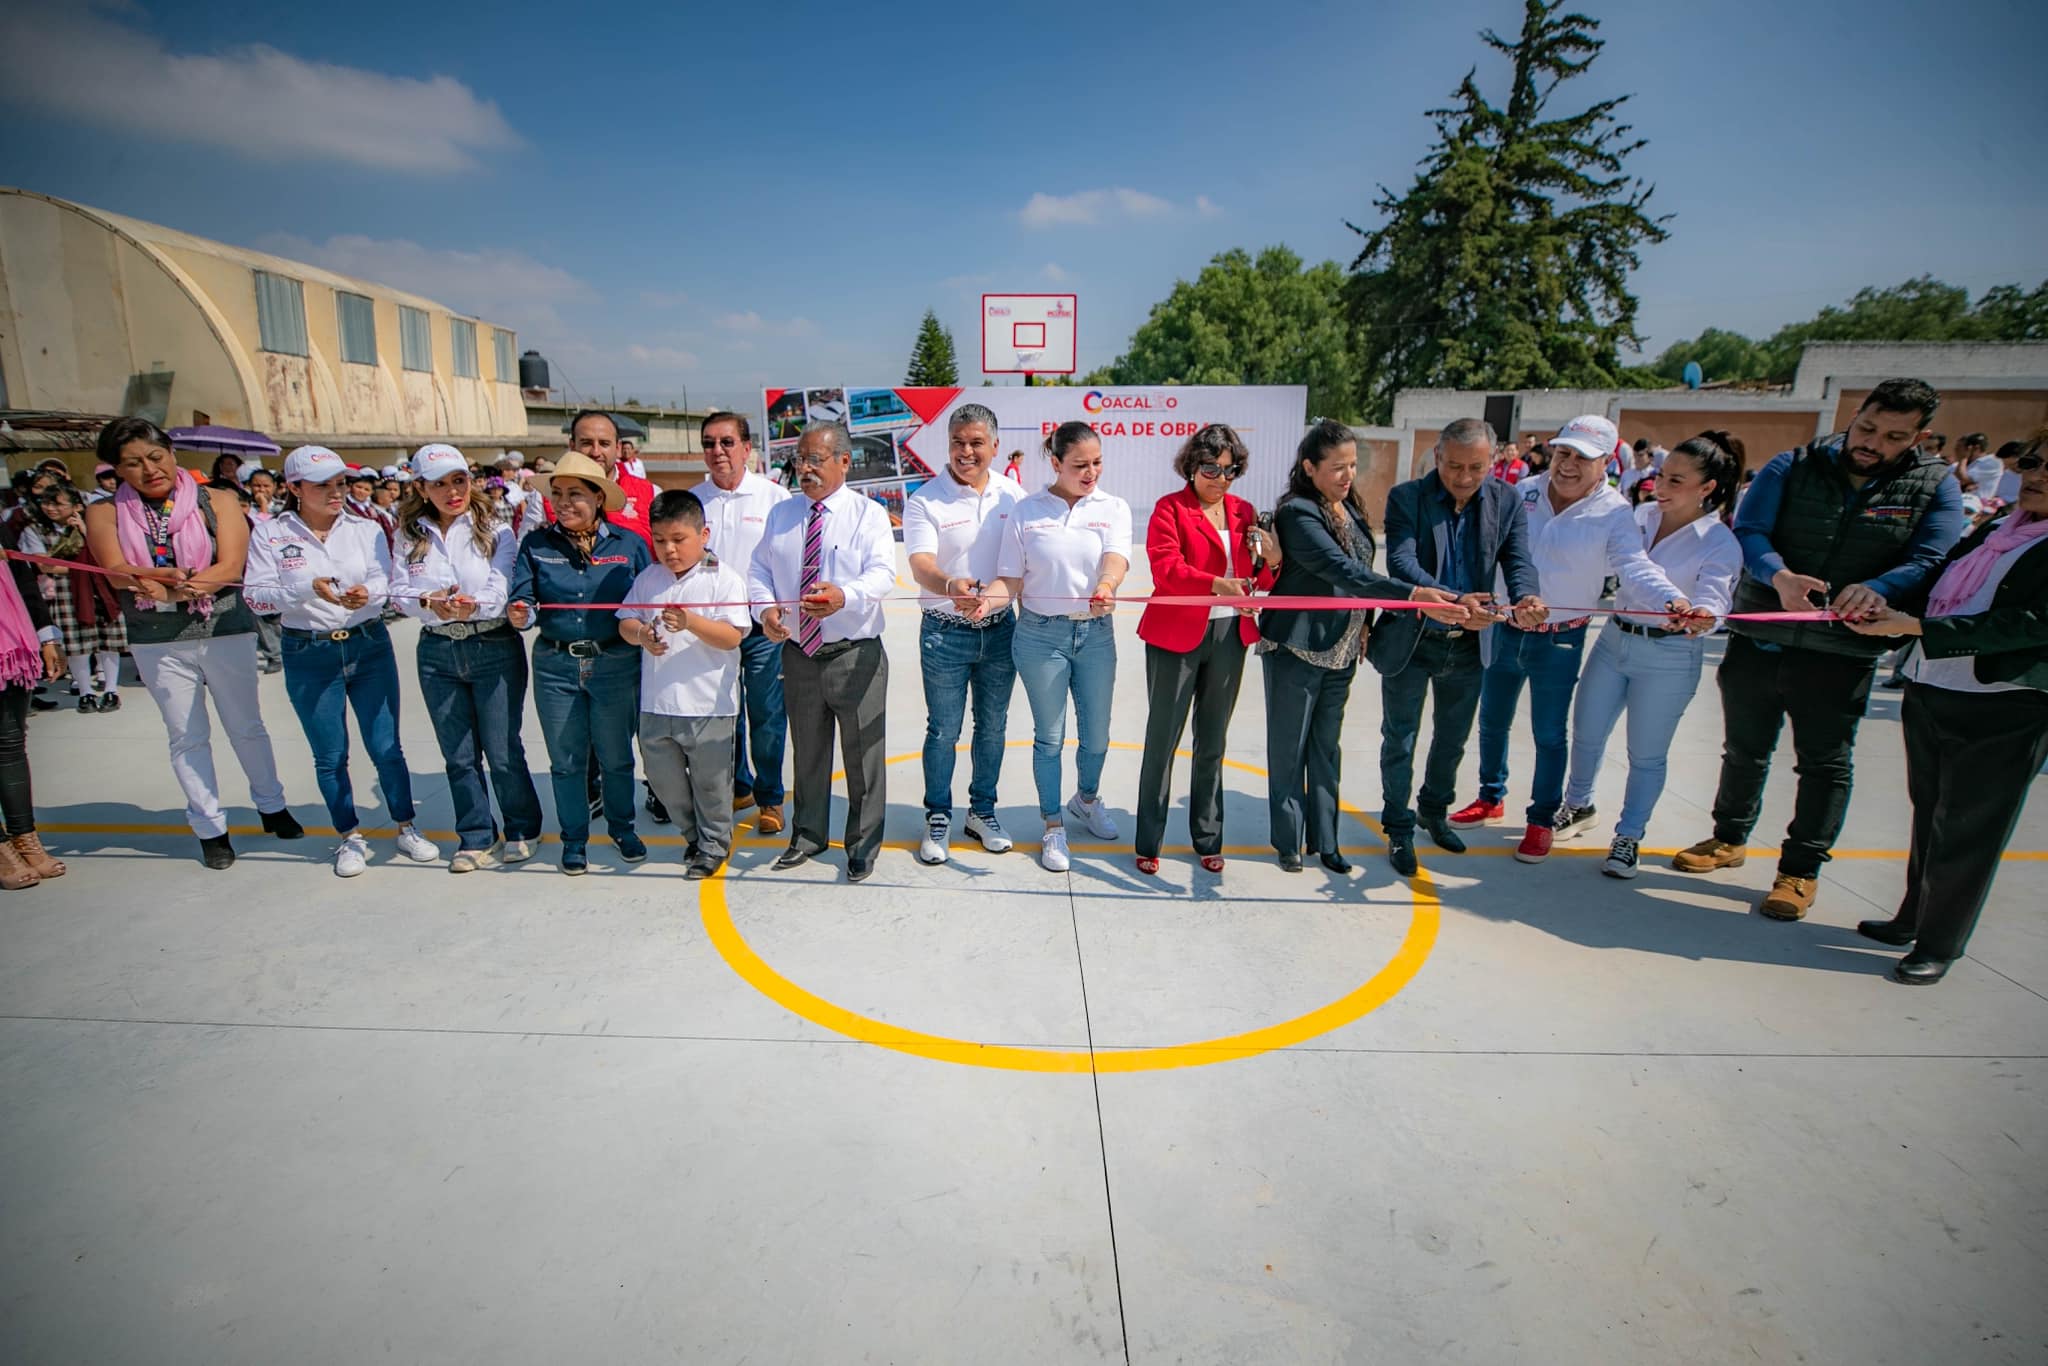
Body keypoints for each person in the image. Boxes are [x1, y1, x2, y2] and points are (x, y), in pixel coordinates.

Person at [1672, 378, 1964, 918]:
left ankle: (1799, 871)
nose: (1873, 442)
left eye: (1893, 436)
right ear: (1856, 414)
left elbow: (1933, 557)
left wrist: (1882, 588)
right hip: (1763, 636)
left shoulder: (1934, 485)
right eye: (1868, 426)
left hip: (1841, 650)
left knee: (1826, 763)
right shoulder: (1794, 465)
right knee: (1744, 749)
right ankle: (1728, 838)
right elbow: (1751, 530)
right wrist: (1777, 575)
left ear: (1919, 437)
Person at [1843, 434, 2048, 983]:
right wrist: (1888, 610)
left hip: (2004, 706)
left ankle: (1940, 942)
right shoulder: (2000, 527)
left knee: (1969, 830)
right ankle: (1913, 915)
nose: (2037, 474)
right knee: (1931, 814)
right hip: (1934, 686)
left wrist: (1918, 627)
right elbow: (1938, 583)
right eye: (2033, 463)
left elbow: (2028, 626)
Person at [1454, 414, 1680, 864]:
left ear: (1607, 463)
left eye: (1583, 457)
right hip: (1505, 628)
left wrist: (1672, 600)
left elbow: (1633, 566)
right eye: (1563, 453)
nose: (1569, 465)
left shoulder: (1615, 513)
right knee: (1493, 721)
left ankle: (1540, 819)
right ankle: (1490, 796)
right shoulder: (1522, 493)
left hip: (1558, 641)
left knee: (1548, 734)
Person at [83, 417, 304, 868]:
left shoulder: (218, 500)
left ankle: (271, 804)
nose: (149, 470)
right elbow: (115, 568)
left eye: (155, 456)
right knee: (187, 735)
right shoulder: (104, 511)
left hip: (224, 630)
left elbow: (232, 566)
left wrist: (168, 589)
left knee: (247, 725)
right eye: (132, 464)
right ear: (117, 471)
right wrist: (151, 581)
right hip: (156, 640)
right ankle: (210, 827)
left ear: (172, 453)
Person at [1260, 419, 1467, 874]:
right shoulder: (1297, 512)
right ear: (1309, 467)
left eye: (1352, 465)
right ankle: (1289, 842)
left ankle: (1327, 841)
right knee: (1289, 748)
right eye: (1337, 467)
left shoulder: (1349, 509)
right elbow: (1341, 570)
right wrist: (1413, 595)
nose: (1348, 475)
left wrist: (1366, 623)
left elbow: (1361, 569)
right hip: (1298, 645)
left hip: (1344, 648)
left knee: (1326, 748)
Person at [243, 446, 438, 877]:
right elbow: (256, 597)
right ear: (293, 488)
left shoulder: (366, 528)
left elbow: (382, 579)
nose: (336, 493)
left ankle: (406, 826)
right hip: (308, 651)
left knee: (386, 747)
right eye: (322, 486)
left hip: (368, 644)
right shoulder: (270, 534)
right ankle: (348, 836)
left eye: (340, 484)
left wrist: (367, 593)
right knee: (330, 755)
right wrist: (306, 589)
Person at [1556, 433, 1744, 877]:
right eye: (1661, 475)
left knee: (1646, 754)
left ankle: (1628, 837)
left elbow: (1715, 602)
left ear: (1707, 488)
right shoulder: (1636, 517)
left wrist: (1703, 617)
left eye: (1676, 480)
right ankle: (1577, 806)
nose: (1660, 486)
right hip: (1614, 640)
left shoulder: (1719, 542)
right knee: (1586, 731)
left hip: (1670, 656)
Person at [1372, 418, 1542, 876]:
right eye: (1453, 467)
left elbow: (1518, 559)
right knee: (1401, 739)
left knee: (1452, 740)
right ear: (1437, 457)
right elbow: (1401, 561)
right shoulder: (1407, 497)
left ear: (1493, 461)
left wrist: (1526, 597)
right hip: (1413, 639)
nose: (1464, 477)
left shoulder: (1506, 501)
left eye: (1476, 468)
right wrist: (1450, 599)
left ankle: (1433, 809)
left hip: (1471, 643)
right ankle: (1399, 825)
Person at [748, 423, 896, 881]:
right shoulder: (782, 513)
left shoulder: (867, 515)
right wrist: (766, 611)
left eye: (816, 459)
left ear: (844, 462)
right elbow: (758, 569)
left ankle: (862, 845)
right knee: (808, 752)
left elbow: (883, 574)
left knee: (862, 756)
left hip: (855, 654)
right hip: (798, 654)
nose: (805, 468)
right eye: (801, 459)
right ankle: (808, 835)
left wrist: (845, 597)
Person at [982, 421, 1130, 874]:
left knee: (1098, 735)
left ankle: (1086, 798)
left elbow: (1116, 558)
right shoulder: (1027, 512)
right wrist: (984, 603)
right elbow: (1010, 579)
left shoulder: (1113, 507)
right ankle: (1052, 825)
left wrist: (1106, 585)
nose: (1091, 473)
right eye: (1080, 465)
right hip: (1041, 636)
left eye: (1097, 463)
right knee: (1049, 736)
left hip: (1095, 634)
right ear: (1056, 463)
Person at [1133, 423, 1278, 875]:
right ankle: (1148, 841)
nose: (1219, 478)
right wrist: (1218, 585)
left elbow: (1263, 580)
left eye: (1229, 470)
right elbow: (1167, 570)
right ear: (1192, 466)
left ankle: (1208, 837)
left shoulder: (1244, 511)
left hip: (1230, 637)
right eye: (1210, 468)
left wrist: (1271, 559)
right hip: (1176, 637)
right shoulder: (1169, 508)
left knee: (1212, 742)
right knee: (1163, 741)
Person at [394, 443, 543, 872]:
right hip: (438, 650)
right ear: (421, 488)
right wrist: (427, 603)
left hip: (491, 644)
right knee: (458, 753)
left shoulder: (496, 526)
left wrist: (473, 605)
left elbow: (503, 585)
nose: (452, 491)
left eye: (458, 480)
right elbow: (398, 590)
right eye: (439, 483)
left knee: (501, 748)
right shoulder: (408, 533)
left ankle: (521, 827)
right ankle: (476, 835)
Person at [508, 451, 652, 875]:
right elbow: (524, 596)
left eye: (574, 494)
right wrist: (521, 612)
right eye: (557, 494)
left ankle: (623, 829)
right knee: (566, 759)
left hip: (615, 663)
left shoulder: (630, 545)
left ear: (597, 498)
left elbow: (652, 594)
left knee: (616, 756)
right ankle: (574, 839)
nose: (564, 502)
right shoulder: (536, 544)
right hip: (556, 666)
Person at [902, 403, 1024, 865]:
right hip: (943, 634)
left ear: (994, 446)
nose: (966, 451)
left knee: (992, 728)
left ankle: (982, 812)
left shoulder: (1014, 496)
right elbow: (920, 565)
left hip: (999, 633)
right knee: (943, 730)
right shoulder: (925, 500)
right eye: (957, 442)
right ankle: (938, 815)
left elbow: (1023, 562)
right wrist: (949, 586)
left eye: (976, 442)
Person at [618, 490, 751, 879]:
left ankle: (712, 845)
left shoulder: (723, 579)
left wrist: (691, 621)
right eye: (660, 540)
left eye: (679, 539)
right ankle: (694, 836)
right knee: (665, 783)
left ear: (703, 534)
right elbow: (625, 621)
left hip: (708, 705)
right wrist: (642, 633)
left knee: (712, 785)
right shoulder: (649, 579)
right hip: (657, 702)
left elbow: (733, 637)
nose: (669, 549)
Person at [692, 411, 791, 837]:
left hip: (762, 629)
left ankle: (770, 798)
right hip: (714, 630)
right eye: (710, 443)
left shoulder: (775, 499)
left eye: (727, 442)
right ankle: (739, 785)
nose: (718, 452)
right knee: (722, 714)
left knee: (767, 715)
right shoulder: (692, 503)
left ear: (747, 449)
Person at [0, 525, 70, 889]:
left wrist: (46, 637)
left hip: (10, 642)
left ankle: (24, 837)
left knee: (11, 744)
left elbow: (22, 577)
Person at [19, 484, 127, 713]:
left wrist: (86, 532)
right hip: (65, 592)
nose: (50, 508)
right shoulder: (35, 531)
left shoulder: (95, 526)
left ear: (77, 506)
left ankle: (111, 690)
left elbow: (111, 556)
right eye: (46, 503)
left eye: (58, 503)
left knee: (109, 641)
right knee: (77, 644)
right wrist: (86, 568)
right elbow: (44, 565)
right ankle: (86, 692)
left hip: (102, 589)